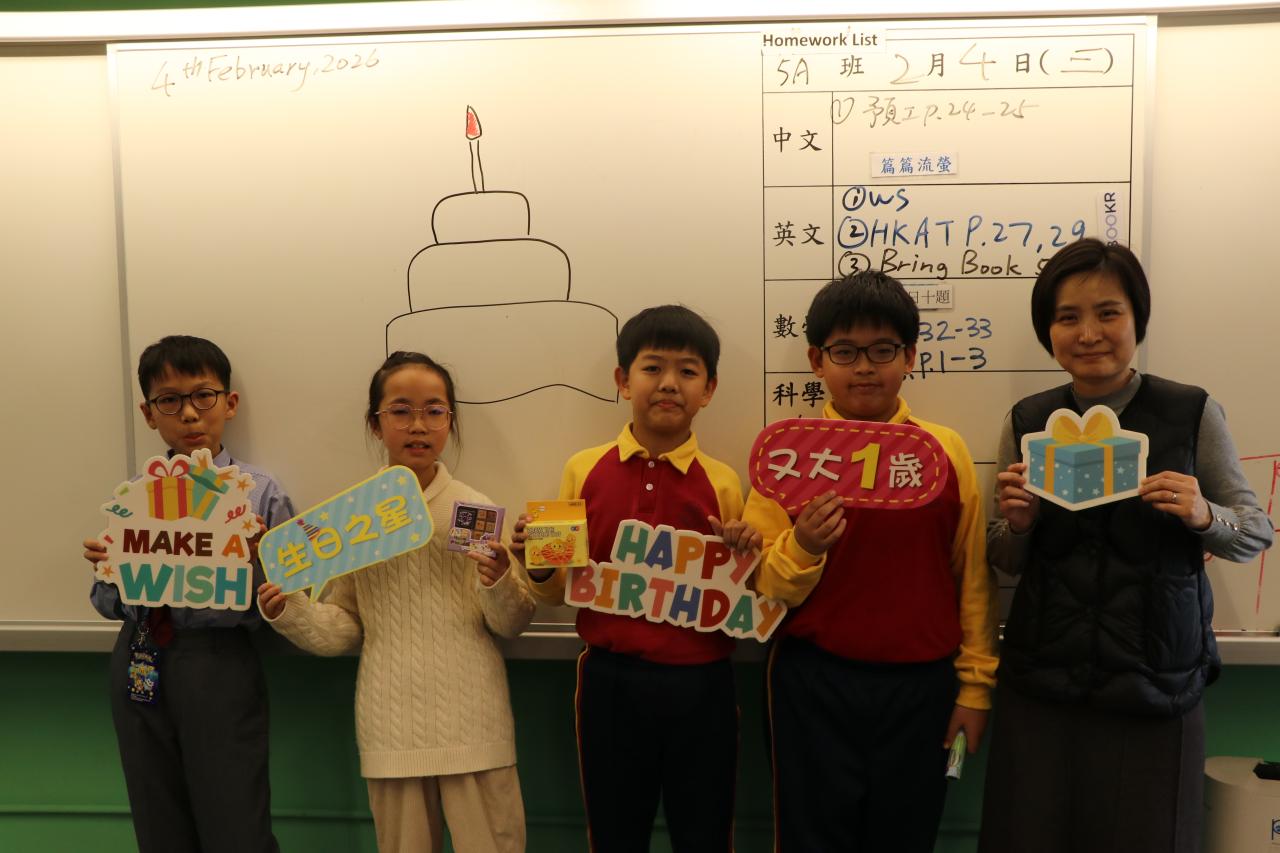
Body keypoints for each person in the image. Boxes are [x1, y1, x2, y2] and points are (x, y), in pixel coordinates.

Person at [979, 238, 1274, 853]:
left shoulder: (1190, 412)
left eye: (1108, 312)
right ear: (1048, 330)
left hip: (1156, 686)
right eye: (1068, 317)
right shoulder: (1028, 421)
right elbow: (1001, 556)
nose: (1088, 333)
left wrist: (1203, 514)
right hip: (1043, 683)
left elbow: (1254, 533)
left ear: (1138, 318)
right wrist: (1020, 524)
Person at [743, 270, 999, 853]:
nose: (864, 367)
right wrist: (805, 545)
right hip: (811, 683)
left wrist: (975, 689)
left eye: (882, 350)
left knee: (905, 838)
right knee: (810, 839)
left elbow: (971, 577)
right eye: (845, 351)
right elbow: (765, 587)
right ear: (817, 359)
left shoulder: (942, 450)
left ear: (909, 356)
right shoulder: (787, 453)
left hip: (922, 688)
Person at [257, 351, 534, 853]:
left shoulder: (471, 508)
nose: (418, 425)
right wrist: (290, 611)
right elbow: (345, 627)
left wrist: (497, 581)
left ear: (451, 421)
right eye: (401, 411)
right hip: (391, 729)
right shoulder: (352, 519)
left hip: (476, 722)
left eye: (434, 411)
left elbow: (510, 623)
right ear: (375, 423)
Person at [516, 305, 759, 853]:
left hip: (703, 683)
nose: (669, 383)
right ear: (623, 381)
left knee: (704, 833)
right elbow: (554, 591)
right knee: (615, 833)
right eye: (653, 368)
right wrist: (539, 562)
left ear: (709, 389)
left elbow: (742, 594)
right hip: (610, 680)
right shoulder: (583, 469)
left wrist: (745, 552)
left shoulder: (723, 482)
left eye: (688, 371)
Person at [82, 334, 294, 853]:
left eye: (203, 395)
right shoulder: (134, 495)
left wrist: (262, 561)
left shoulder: (259, 493)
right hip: (141, 655)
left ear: (229, 402)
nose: (190, 413)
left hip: (219, 660)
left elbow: (292, 597)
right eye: (170, 400)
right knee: (157, 818)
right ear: (149, 413)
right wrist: (111, 569)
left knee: (235, 821)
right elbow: (106, 603)